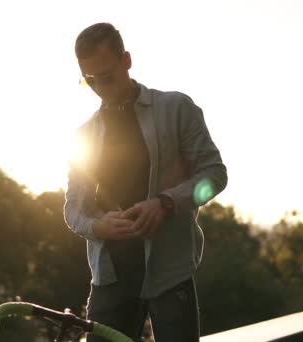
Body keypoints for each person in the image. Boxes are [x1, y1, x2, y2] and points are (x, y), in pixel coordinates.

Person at [63, 22, 228, 342]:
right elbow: (72, 211)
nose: (99, 88)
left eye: (106, 77)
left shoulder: (177, 108)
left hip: (170, 273)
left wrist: (165, 203)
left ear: (127, 60)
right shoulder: (83, 135)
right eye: (89, 80)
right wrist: (99, 227)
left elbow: (214, 175)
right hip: (109, 278)